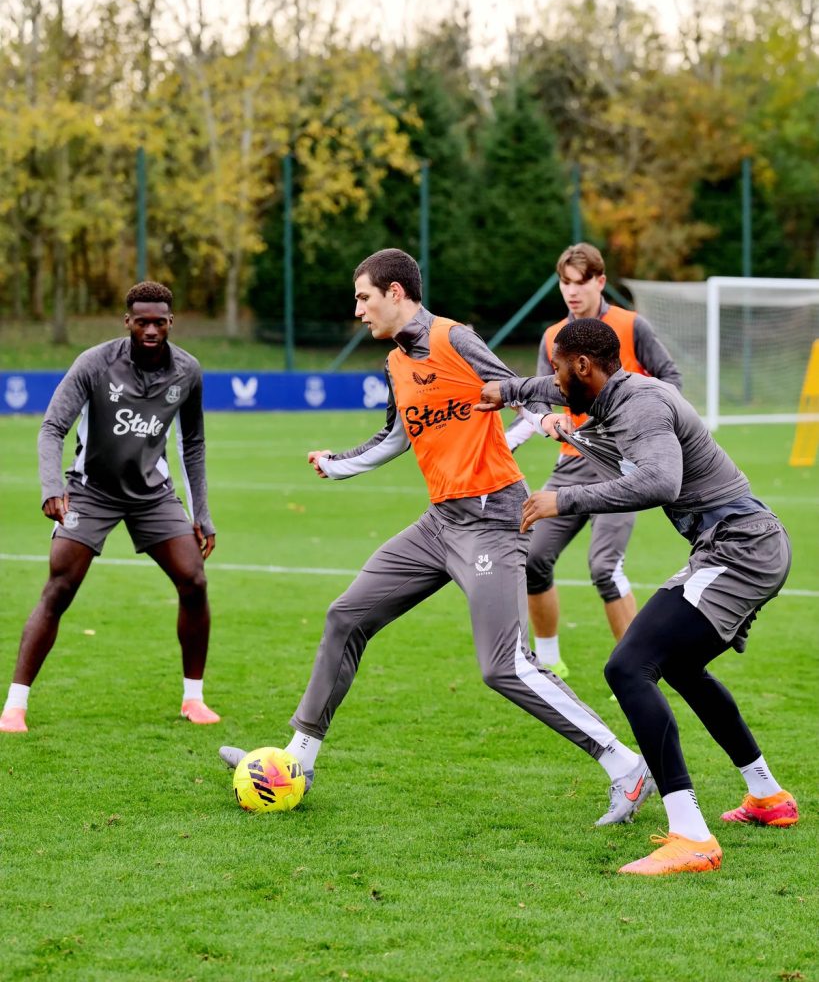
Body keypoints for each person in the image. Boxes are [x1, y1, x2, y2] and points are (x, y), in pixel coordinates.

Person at [219, 247, 656, 827]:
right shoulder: (397, 363)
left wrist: (549, 422)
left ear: (396, 294)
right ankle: (299, 759)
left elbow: (524, 387)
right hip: (439, 522)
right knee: (346, 616)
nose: (357, 311)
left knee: (502, 666)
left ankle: (627, 767)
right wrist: (337, 464)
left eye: (364, 298)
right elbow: (397, 435)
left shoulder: (454, 338)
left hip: (491, 519)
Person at [477, 317, 798, 875]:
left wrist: (563, 500)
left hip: (740, 549)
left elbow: (659, 484)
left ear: (583, 366)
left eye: (558, 366)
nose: (551, 377)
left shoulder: (643, 405)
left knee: (628, 667)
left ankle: (692, 838)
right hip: (733, 546)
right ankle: (768, 797)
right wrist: (504, 392)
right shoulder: (604, 391)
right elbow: (551, 393)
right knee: (682, 669)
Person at [0, 281, 220, 733]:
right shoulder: (95, 363)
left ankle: (193, 699)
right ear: (128, 322)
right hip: (91, 491)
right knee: (60, 585)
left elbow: (192, 444)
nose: (152, 329)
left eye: (160, 322)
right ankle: (15, 705)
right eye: (143, 321)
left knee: (193, 579)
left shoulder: (188, 372)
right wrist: (52, 487)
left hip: (152, 494)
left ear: (171, 322)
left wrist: (202, 512)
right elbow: (52, 428)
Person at [505, 243, 681, 676]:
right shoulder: (551, 337)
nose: (572, 291)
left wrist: (646, 424)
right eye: (565, 282)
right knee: (533, 559)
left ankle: (640, 668)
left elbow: (671, 380)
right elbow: (537, 398)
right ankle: (547, 663)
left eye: (580, 282)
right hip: (570, 462)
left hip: (623, 463)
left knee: (604, 567)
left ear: (600, 282)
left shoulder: (630, 325)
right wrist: (528, 430)